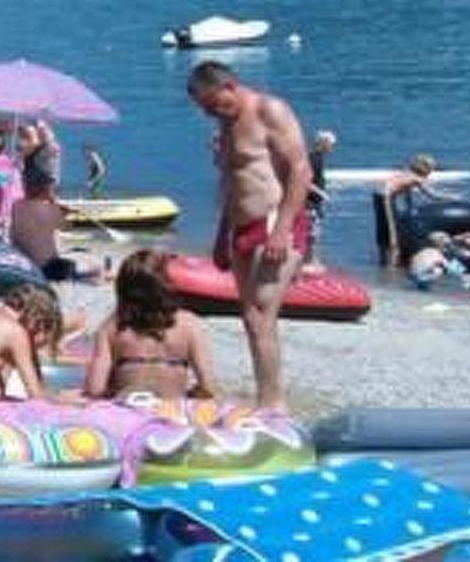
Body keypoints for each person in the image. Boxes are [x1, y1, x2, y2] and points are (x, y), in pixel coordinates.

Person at [187, 60, 312, 411]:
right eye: (205, 108)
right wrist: (221, 235)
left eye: (214, 104)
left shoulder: (269, 110)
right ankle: (266, 397)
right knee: (251, 317)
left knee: (259, 315)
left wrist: (282, 229)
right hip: (241, 226)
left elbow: (300, 170)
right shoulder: (226, 126)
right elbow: (232, 183)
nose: (211, 113)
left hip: (273, 221)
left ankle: (273, 404)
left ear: (230, 86)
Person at [84, 250, 221, 402]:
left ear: (122, 289)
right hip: (170, 407)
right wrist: (192, 394)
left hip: (127, 406)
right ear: (166, 284)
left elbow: (94, 389)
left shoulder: (112, 327)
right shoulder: (189, 324)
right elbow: (209, 388)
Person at [9, 168, 100, 282]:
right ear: (46, 190)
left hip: (26, 265)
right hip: (48, 267)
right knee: (88, 266)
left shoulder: (15, 206)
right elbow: (67, 227)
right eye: (53, 190)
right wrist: (62, 210)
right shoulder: (49, 209)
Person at [304, 129, 336, 261]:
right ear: (325, 144)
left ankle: (310, 259)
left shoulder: (316, 158)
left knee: (313, 233)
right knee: (311, 234)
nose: (332, 148)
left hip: (313, 202)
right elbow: (305, 181)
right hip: (310, 202)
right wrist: (321, 193)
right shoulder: (315, 159)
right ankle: (310, 260)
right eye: (331, 145)